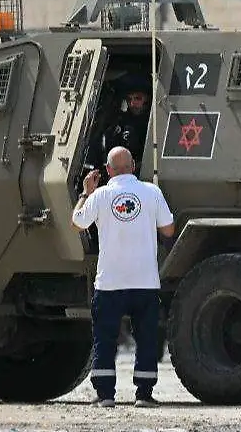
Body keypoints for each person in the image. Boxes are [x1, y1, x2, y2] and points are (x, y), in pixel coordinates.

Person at [71, 146, 175, 408]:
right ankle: (144, 394)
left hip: (110, 284)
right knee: (147, 339)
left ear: (107, 171)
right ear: (133, 166)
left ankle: (105, 395)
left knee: (105, 339)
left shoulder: (101, 195)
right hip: (145, 282)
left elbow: (76, 223)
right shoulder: (151, 192)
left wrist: (86, 192)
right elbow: (169, 229)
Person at [98, 75, 150, 172]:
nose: (132, 104)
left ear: (147, 100)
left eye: (138, 98)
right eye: (129, 99)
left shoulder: (153, 122)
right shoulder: (120, 122)